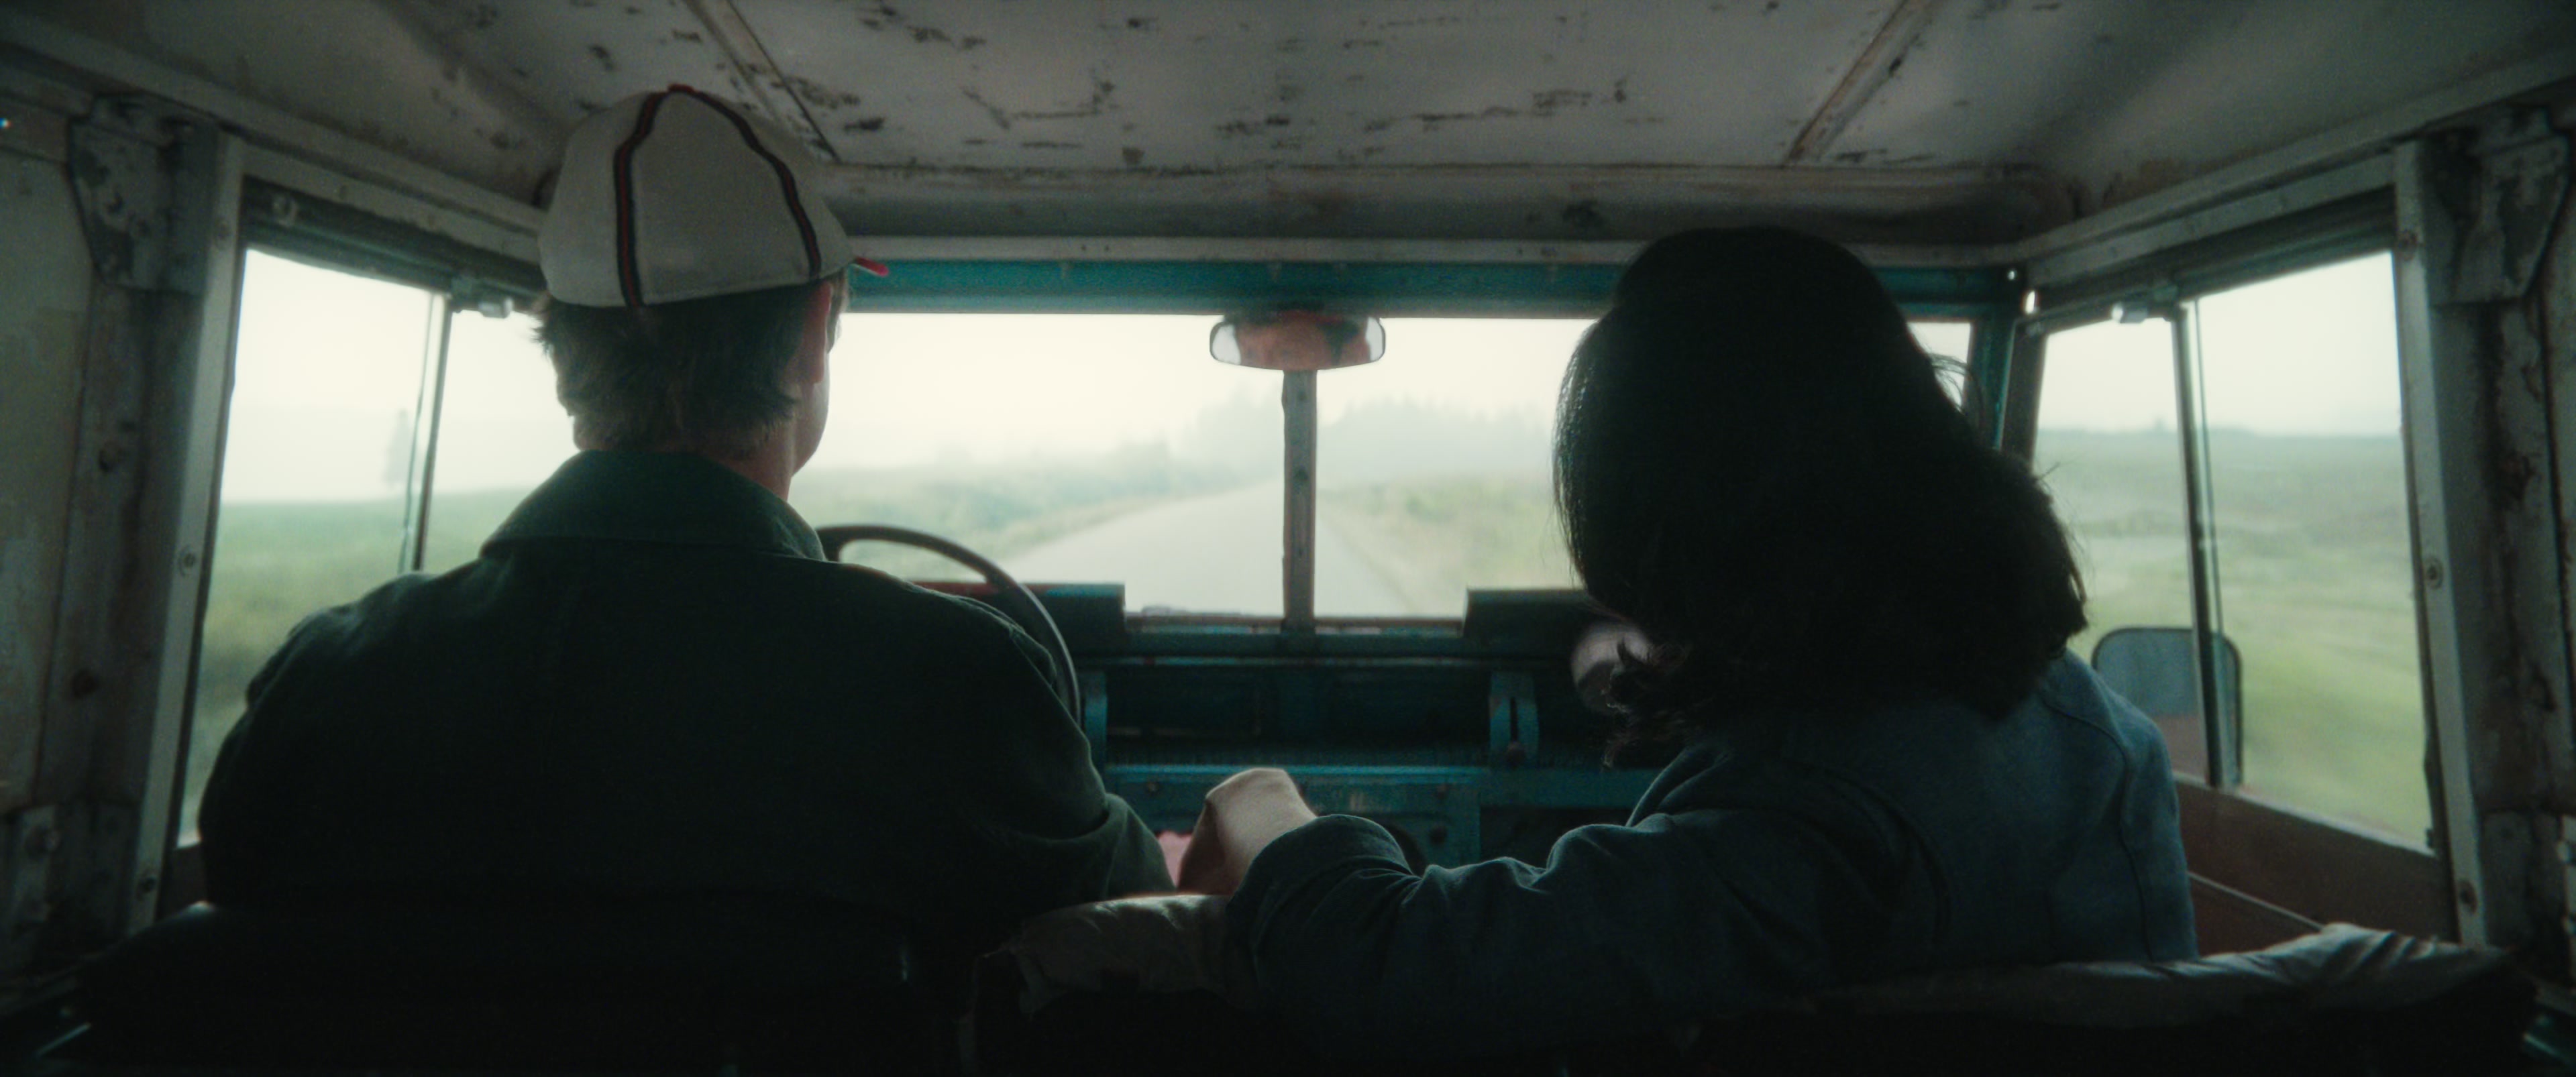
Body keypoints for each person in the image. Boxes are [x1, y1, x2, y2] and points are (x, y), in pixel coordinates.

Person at [197, 86, 1170, 962]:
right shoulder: (956, 685)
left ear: (563, 355)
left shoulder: (327, 686)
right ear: (810, 336)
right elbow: (1131, 936)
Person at [1177, 227, 2195, 1058]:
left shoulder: (1807, 828)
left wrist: (1265, 804)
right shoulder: (2100, 733)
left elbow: (1378, 974)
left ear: (1702, 520)